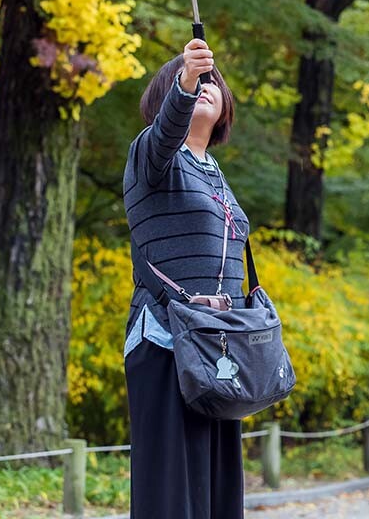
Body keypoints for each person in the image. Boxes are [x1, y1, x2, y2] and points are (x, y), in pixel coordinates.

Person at [123, 38, 250, 518]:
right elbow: (162, 139)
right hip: (164, 341)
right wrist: (186, 79)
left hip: (219, 350)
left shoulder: (215, 172)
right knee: (171, 491)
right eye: (197, 82)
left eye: (212, 83)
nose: (205, 87)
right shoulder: (151, 158)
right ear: (168, 99)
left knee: (216, 489)